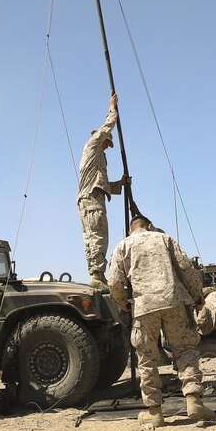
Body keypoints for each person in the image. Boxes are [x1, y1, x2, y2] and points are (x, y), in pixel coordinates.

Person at [109, 213, 215, 427]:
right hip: (174, 300)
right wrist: (198, 297)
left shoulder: (123, 246)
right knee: (185, 349)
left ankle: (155, 413)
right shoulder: (164, 238)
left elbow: (114, 282)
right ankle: (193, 400)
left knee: (146, 357)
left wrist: (123, 303)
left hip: (144, 306)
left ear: (131, 230)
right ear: (149, 226)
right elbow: (186, 268)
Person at [77, 93, 130, 291]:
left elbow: (104, 183)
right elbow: (107, 126)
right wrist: (112, 108)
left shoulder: (98, 156)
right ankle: (97, 275)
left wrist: (121, 184)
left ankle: (96, 273)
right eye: (108, 142)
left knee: (92, 236)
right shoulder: (93, 144)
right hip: (92, 199)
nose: (108, 146)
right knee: (98, 235)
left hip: (90, 197)